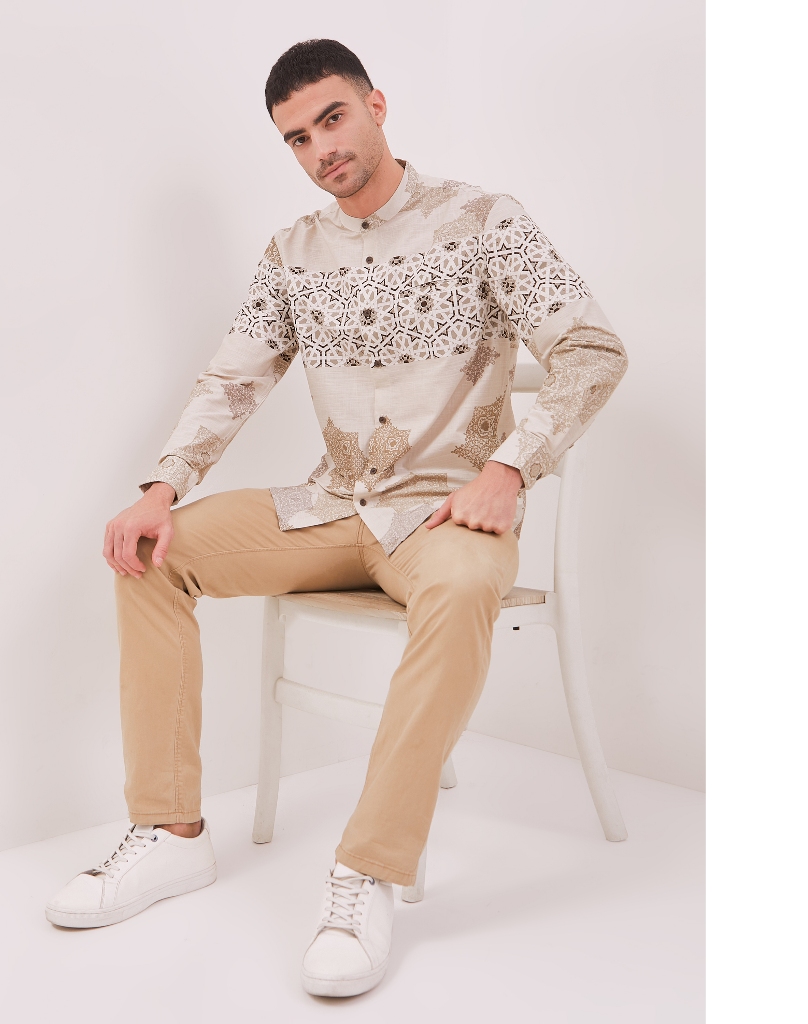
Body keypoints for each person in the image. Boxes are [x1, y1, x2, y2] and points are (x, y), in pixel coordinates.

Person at [45, 38, 627, 997]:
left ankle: (368, 871)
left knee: (463, 591)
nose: (322, 148)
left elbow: (593, 348)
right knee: (152, 552)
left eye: (333, 119)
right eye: (298, 137)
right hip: (331, 508)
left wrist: (509, 469)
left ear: (376, 105)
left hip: (444, 520)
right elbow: (232, 380)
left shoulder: (485, 220)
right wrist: (161, 487)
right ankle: (172, 830)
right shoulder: (294, 254)